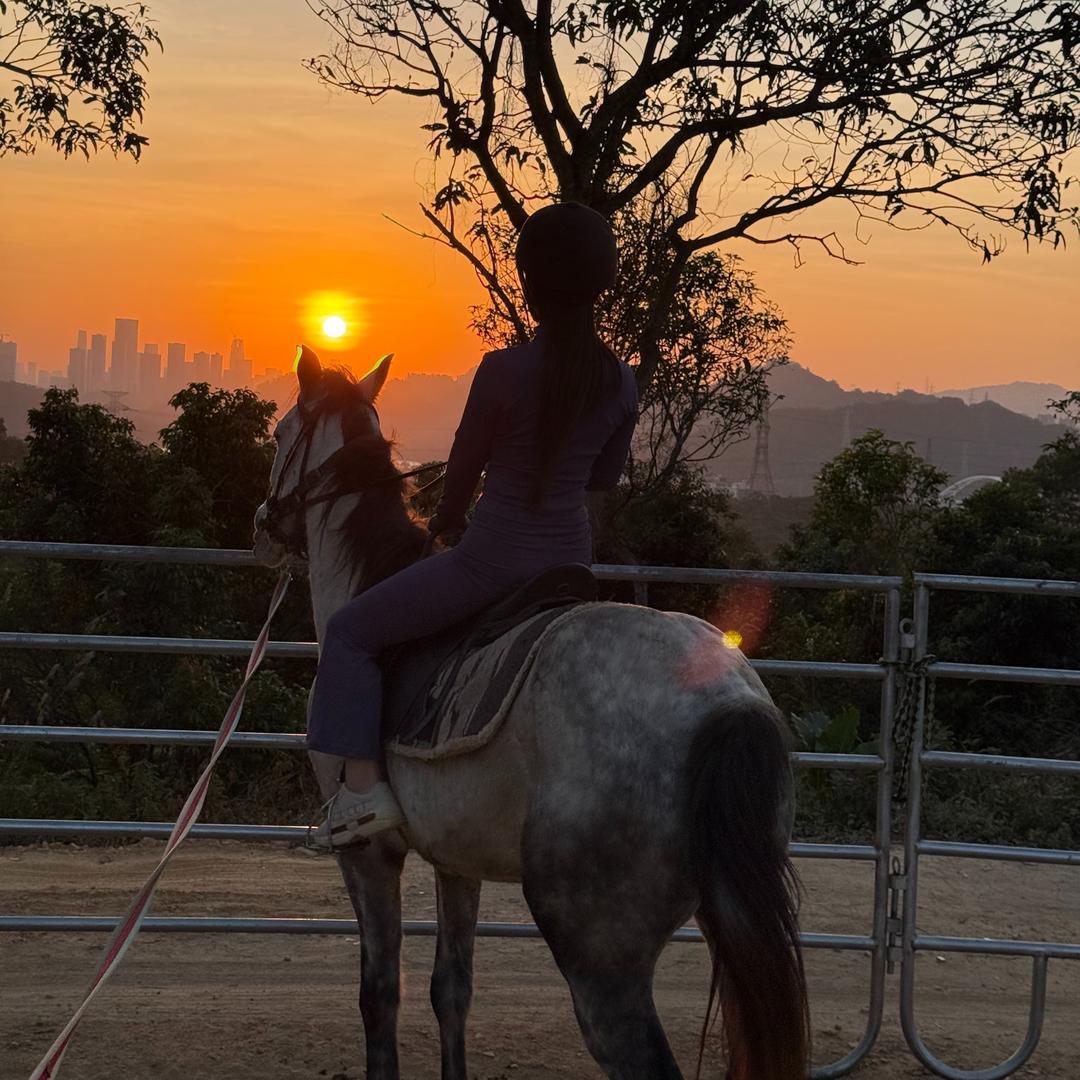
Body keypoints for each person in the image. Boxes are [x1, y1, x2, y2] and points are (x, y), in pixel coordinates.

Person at [308, 202, 638, 848]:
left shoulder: (501, 371)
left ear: (531, 283)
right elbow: (602, 478)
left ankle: (360, 792)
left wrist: (447, 522)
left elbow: (460, 481)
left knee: (348, 633)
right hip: (571, 566)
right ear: (603, 283)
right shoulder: (621, 381)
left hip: (489, 564)